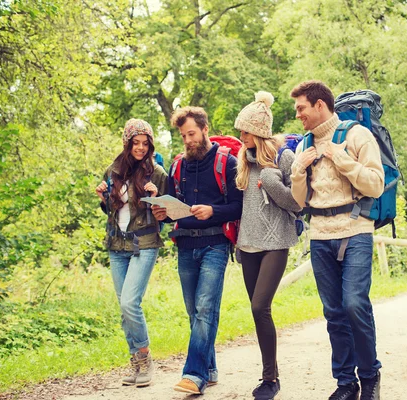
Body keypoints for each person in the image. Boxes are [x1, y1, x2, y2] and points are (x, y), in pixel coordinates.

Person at [289, 81, 385, 400]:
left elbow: (375, 185)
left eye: (301, 108)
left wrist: (342, 160)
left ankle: (370, 376)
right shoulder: (304, 146)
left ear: (319, 105)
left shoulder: (357, 135)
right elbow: (299, 201)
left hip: (355, 229)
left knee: (354, 303)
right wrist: (298, 173)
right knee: (333, 312)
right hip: (320, 235)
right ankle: (346, 382)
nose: (298, 114)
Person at [152, 106, 243, 395]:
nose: (188, 140)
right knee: (194, 311)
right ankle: (211, 369)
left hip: (215, 243)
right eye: (183, 136)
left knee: (205, 308)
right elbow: (174, 210)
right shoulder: (178, 165)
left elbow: (240, 206)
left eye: (192, 133)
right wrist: (162, 213)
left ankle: (194, 374)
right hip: (185, 244)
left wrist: (213, 210)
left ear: (205, 129)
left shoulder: (227, 163)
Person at [233, 92, 302, 400]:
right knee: (256, 311)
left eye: (245, 131)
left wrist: (273, 183)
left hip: (276, 242)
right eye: (240, 131)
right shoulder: (243, 161)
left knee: (261, 306)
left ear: (259, 131)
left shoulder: (283, 158)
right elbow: (245, 206)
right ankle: (270, 375)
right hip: (248, 244)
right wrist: (238, 241)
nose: (241, 136)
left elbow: (297, 203)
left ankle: (269, 380)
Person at [95, 118, 168, 387]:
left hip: (145, 243)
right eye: (135, 143)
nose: (140, 148)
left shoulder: (157, 172)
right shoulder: (112, 171)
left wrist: (155, 194)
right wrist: (104, 198)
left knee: (130, 303)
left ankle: (146, 357)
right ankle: (135, 361)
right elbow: (112, 212)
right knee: (123, 308)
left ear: (150, 145)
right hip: (117, 245)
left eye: (145, 143)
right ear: (127, 144)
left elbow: (167, 212)